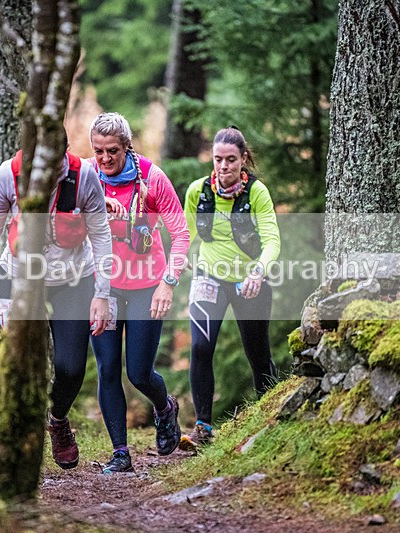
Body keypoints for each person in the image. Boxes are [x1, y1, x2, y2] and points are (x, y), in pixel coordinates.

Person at [0, 131, 113, 470]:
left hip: (73, 279)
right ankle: (10, 442)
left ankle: (58, 420)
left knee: (71, 367)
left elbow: (101, 235)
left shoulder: (83, 176)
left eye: (56, 160)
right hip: (19, 278)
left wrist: (102, 294)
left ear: (65, 152)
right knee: (18, 362)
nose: (49, 169)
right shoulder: (8, 175)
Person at [87, 112, 190, 473]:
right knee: (108, 368)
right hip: (104, 288)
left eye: (112, 151)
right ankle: (120, 454)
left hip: (148, 284)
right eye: (97, 151)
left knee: (140, 373)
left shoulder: (152, 177)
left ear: (127, 147)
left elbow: (181, 235)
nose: (104, 159)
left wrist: (168, 282)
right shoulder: (87, 178)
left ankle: (165, 408)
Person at [180, 126, 281, 449]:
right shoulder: (199, 191)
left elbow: (272, 240)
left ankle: (271, 420)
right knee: (200, 347)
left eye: (231, 160)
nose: (223, 167)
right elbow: (187, 234)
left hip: (248, 281)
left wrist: (259, 272)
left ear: (243, 159)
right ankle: (203, 428)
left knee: (258, 353)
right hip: (208, 277)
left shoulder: (256, 193)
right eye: (218, 159)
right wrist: (178, 259)